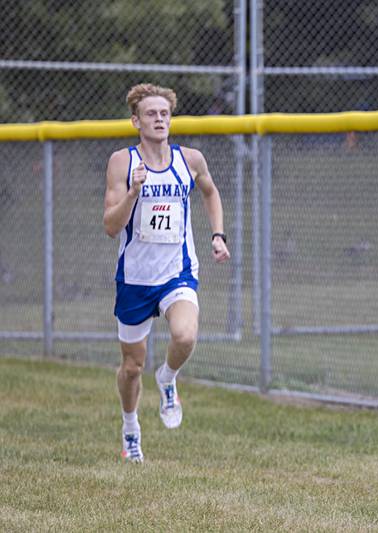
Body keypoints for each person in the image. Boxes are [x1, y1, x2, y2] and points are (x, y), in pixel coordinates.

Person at [103, 83, 231, 463]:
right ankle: (130, 430)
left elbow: (210, 192)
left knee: (185, 335)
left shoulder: (190, 159)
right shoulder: (122, 163)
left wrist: (218, 235)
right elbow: (111, 226)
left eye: (164, 114)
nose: (159, 120)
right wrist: (133, 193)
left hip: (178, 272)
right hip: (135, 280)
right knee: (131, 367)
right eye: (151, 114)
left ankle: (168, 378)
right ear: (136, 121)